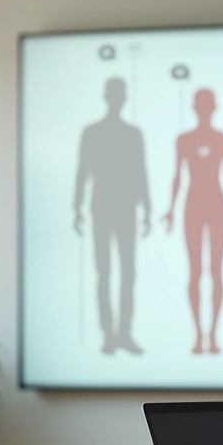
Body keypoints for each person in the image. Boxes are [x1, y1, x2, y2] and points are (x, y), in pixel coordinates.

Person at [161, 89, 223, 355]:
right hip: (193, 206)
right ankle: (199, 336)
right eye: (201, 105)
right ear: (194, 108)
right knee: (195, 272)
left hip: (218, 207)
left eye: (208, 105)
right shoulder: (183, 140)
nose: (205, 109)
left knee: (217, 271)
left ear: (214, 108)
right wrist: (171, 209)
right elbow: (177, 176)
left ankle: (214, 336)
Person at [73, 77, 151, 355]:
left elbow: (141, 171)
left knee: (127, 272)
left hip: (126, 208)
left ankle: (124, 333)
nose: (118, 99)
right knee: (104, 273)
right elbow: (83, 171)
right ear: (107, 97)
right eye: (114, 94)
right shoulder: (92, 132)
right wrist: (76, 207)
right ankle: (108, 334)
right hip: (102, 207)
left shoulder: (133, 134)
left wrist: (147, 207)